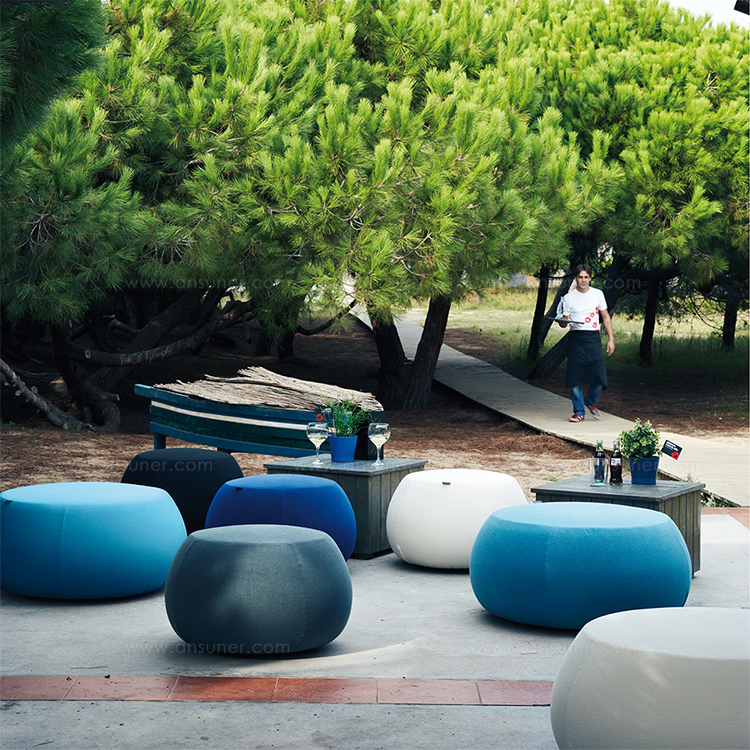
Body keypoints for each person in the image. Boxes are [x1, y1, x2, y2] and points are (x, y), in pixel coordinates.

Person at [557, 264, 614, 422]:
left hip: (593, 336)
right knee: (574, 377)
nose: (583, 280)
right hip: (576, 337)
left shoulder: (598, 294)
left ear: (590, 278)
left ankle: (590, 401)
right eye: (580, 277)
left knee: (599, 375)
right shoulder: (568, 298)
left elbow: (606, 317)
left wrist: (611, 339)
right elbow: (564, 324)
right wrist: (560, 321)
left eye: (586, 277)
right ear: (576, 278)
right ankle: (579, 411)